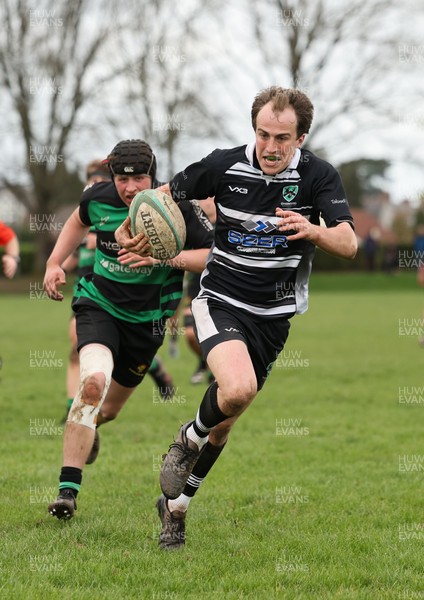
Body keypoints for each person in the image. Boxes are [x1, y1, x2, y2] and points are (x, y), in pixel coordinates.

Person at [116, 86, 357, 550]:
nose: (270, 147)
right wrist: (136, 223)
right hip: (221, 299)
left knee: (225, 423)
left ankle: (177, 508)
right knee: (239, 388)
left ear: (301, 137)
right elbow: (162, 197)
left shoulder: (319, 177)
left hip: (274, 318)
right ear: (254, 129)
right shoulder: (222, 165)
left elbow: (349, 242)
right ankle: (186, 440)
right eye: (264, 134)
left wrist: (313, 230)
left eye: (283, 138)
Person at [43, 139, 213, 520]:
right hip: (98, 305)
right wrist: (56, 261)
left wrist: (163, 256)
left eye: (139, 178)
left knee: (109, 409)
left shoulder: (179, 208)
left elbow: (211, 256)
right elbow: (76, 220)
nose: (131, 187)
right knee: (92, 383)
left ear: (153, 175)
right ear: (112, 176)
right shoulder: (98, 198)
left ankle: (90, 425)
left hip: (148, 323)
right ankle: (67, 492)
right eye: (123, 178)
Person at [60, 160, 176, 424]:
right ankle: (74, 410)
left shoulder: (140, 216)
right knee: (78, 348)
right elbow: (72, 253)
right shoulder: (93, 215)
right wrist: (57, 266)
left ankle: (156, 372)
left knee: (115, 358)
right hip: (92, 296)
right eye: (90, 183)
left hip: (137, 305)